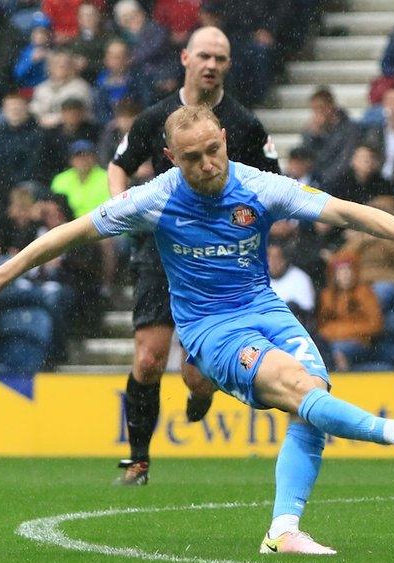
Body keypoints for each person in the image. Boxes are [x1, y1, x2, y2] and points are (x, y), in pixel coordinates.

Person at [0, 104, 394, 553]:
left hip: (268, 310)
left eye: (213, 150)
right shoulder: (154, 199)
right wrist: (2, 273)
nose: (207, 164)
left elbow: (346, 212)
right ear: (170, 157)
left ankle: (283, 529)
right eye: (192, 158)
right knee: (300, 389)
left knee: (313, 397)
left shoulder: (258, 185)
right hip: (212, 331)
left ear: (225, 140)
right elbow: (69, 235)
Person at [106, 27, 280, 485]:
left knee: (197, 378)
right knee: (147, 360)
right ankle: (138, 459)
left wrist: (250, 234)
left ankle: (202, 395)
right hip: (162, 254)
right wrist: (122, 215)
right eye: (204, 55)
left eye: (220, 58)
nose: (212, 65)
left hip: (218, 260)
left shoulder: (243, 124)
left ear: (228, 65)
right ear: (184, 57)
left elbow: (274, 184)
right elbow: (118, 167)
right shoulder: (157, 117)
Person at [317, 252, 384, 372]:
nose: (345, 275)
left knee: (338, 350)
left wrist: (342, 332)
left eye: (348, 270)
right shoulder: (327, 295)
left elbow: (375, 325)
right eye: (341, 271)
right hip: (333, 341)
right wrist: (337, 332)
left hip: (360, 342)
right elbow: (322, 327)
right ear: (334, 275)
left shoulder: (364, 292)